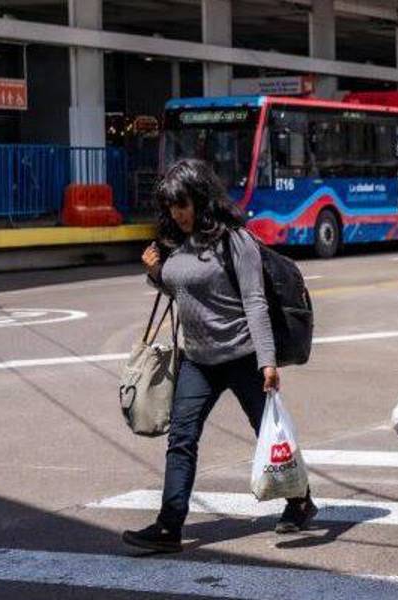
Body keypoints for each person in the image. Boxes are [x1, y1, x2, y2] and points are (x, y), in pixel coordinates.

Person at [125, 159, 315, 553]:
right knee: (181, 438)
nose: (178, 214)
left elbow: (255, 302)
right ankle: (169, 525)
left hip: (242, 356)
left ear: (202, 199)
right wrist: (156, 273)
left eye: (184, 205)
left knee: (269, 434)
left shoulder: (235, 241)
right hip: (198, 360)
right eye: (172, 206)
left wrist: (267, 361)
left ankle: (300, 500)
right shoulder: (177, 242)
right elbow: (183, 291)